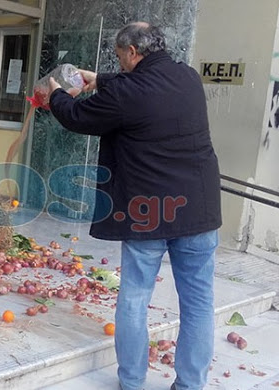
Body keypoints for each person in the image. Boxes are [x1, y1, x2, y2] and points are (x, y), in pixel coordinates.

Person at [48, 22, 222, 390]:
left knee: (135, 299)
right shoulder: (188, 77)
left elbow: (78, 117)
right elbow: (144, 86)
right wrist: (103, 79)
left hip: (150, 213)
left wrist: (56, 96)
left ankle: (131, 382)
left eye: (119, 56)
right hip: (199, 211)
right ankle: (191, 384)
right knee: (199, 304)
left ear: (131, 52)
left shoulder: (127, 92)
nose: (120, 62)